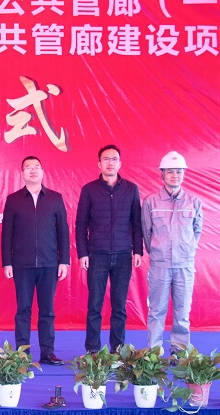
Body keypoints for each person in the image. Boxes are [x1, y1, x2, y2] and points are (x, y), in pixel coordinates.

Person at [1, 156, 69, 365]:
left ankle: (47, 352)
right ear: (22, 173)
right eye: (28, 167)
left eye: (36, 167)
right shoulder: (14, 200)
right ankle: (22, 353)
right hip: (22, 264)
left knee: (47, 311)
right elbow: (7, 234)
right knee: (23, 310)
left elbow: (63, 231)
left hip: (49, 263)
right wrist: (7, 262)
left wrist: (64, 261)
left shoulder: (55, 198)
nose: (33, 170)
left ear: (42, 171)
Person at [76, 144, 143, 353]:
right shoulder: (89, 190)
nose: (110, 163)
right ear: (99, 164)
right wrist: (83, 253)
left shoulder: (131, 189)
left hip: (123, 254)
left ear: (120, 163)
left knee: (119, 306)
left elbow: (136, 222)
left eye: (114, 159)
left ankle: (118, 350)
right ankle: (92, 350)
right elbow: (81, 224)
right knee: (95, 305)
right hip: (97, 254)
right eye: (106, 159)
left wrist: (138, 250)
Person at [142, 151, 203, 354]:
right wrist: (158, 252)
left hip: (184, 265)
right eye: (170, 171)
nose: (174, 175)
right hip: (159, 265)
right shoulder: (151, 202)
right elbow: (146, 232)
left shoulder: (194, 202)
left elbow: (197, 231)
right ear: (162, 174)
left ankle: (179, 351)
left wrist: (187, 251)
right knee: (156, 311)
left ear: (184, 173)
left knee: (182, 312)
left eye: (178, 171)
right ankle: (154, 352)